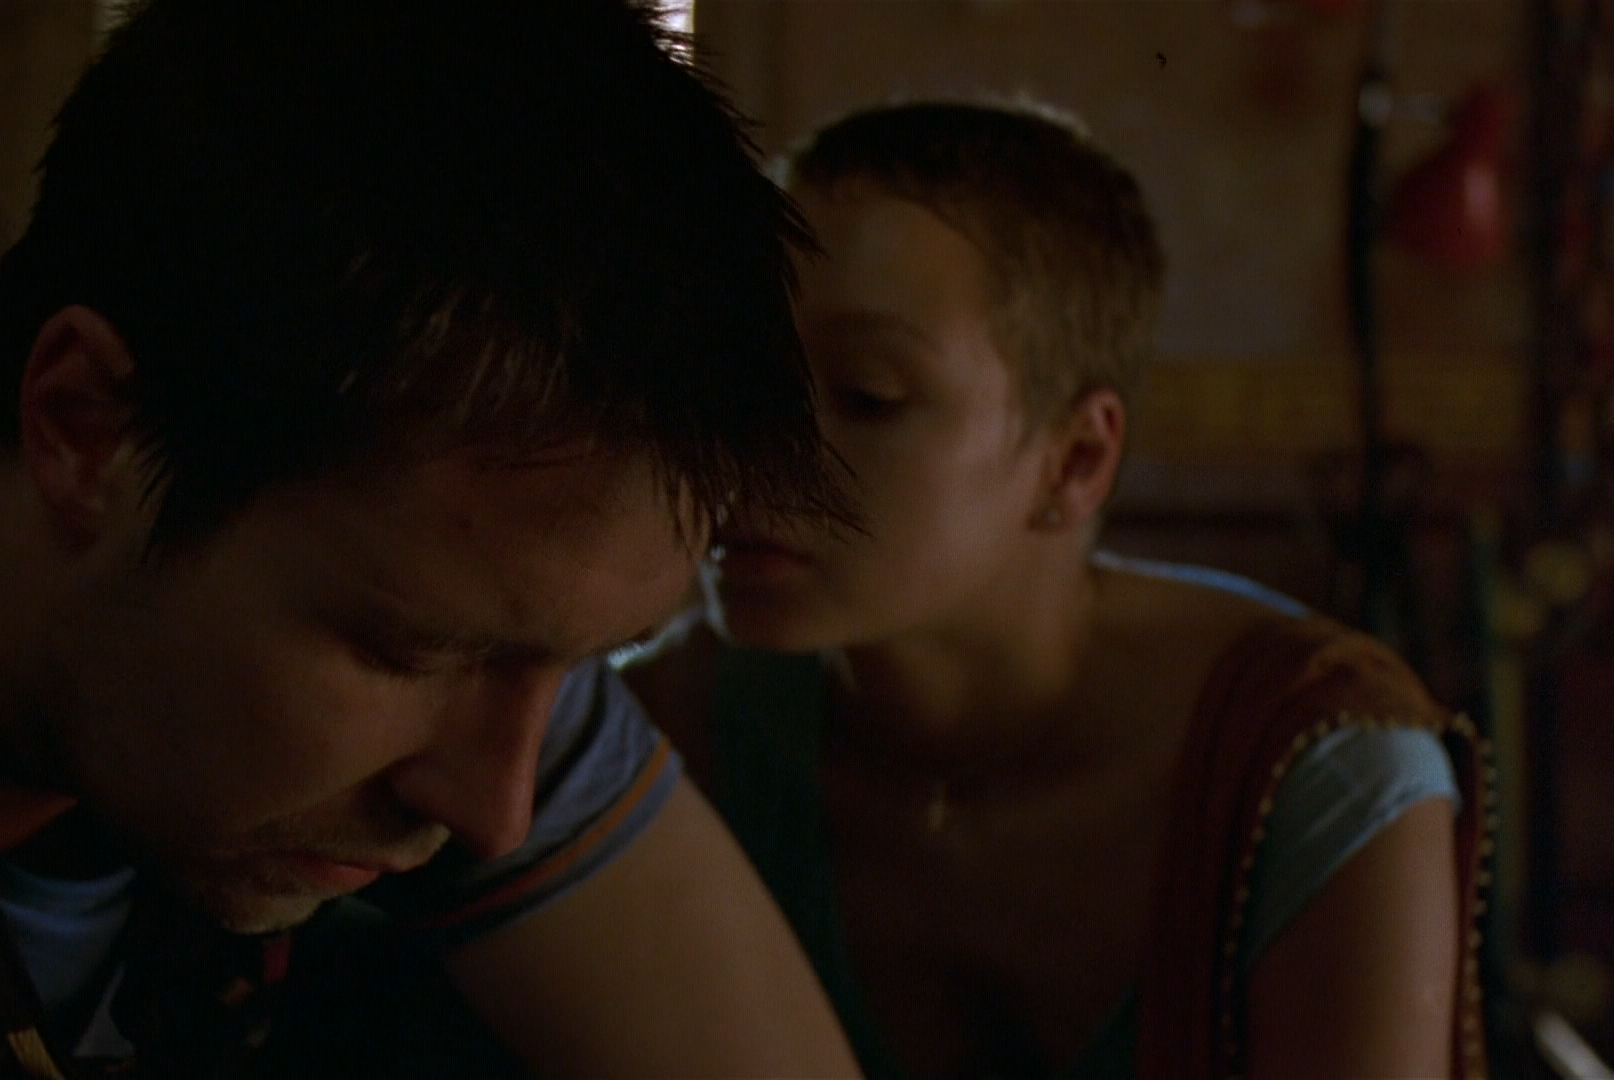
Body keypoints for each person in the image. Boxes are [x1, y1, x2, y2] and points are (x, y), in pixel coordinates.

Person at [0, 1, 864, 1075]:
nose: (497, 808)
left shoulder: (483, 635)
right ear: (85, 428)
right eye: (403, 654)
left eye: (589, 662)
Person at [625, 100, 1491, 1080]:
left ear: (1076, 459)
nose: (749, 448)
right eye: (741, 379)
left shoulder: (1311, 766)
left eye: (868, 394)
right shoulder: (663, 735)